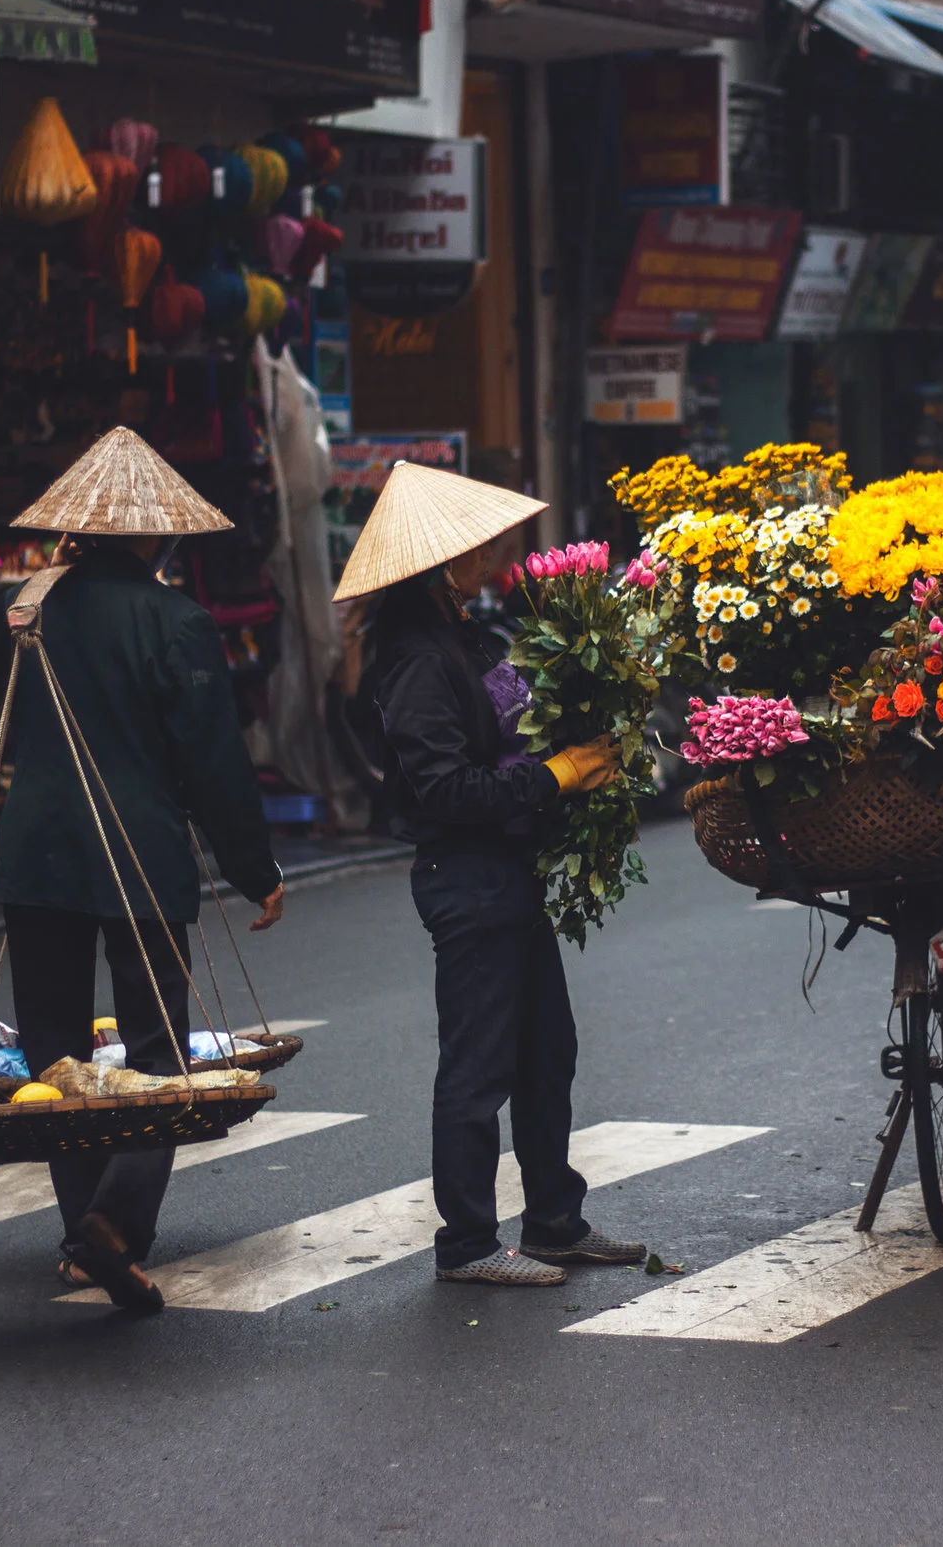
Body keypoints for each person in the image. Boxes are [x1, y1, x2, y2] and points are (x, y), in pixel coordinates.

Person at [0, 430, 286, 1314]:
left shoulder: (27, 610)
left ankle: (84, 1230)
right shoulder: (176, 623)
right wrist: (253, 869)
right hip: (138, 851)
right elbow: (214, 765)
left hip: (37, 850)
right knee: (157, 1055)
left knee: (58, 1056)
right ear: (157, 536)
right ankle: (112, 1229)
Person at [335, 462, 643, 1288]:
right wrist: (556, 777)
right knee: (477, 1066)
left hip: (508, 870)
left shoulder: (466, 636)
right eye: (477, 550)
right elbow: (445, 787)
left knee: (547, 1050)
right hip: (465, 875)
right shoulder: (414, 659)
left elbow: (507, 733)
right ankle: (467, 1241)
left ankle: (553, 1220)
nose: (492, 559)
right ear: (440, 566)